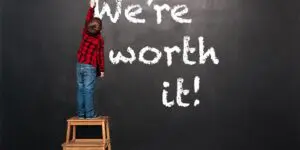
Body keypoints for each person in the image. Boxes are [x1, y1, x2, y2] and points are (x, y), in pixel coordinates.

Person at [76, 0, 104, 119]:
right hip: (90, 66)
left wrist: (91, 8)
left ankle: (81, 114)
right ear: (99, 29)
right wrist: (101, 70)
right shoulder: (99, 40)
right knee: (88, 90)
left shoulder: (85, 33)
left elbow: (88, 19)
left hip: (79, 64)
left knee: (80, 88)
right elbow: (100, 56)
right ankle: (90, 114)